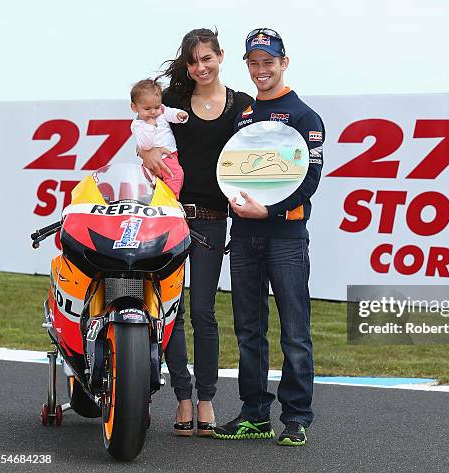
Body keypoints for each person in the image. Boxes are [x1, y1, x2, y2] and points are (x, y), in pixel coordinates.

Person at [212, 28, 325, 446]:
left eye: (269, 62)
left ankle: (296, 418)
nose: (261, 70)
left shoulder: (304, 116)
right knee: (248, 330)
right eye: (254, 63)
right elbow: (230, 173)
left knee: (295, 330)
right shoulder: (243, 115)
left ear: (284, 63)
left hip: (285, 236)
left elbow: (309, 178)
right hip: (243, 235)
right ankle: (255, 414)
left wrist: (271, 209)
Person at [139, 29, 253, 436]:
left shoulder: (242, 105)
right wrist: (146, 150)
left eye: (207, 58)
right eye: (193, 61)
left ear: (221, 56)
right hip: (168, 216)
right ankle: (182, 398)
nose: (200, 67)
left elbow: (254, 157)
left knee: (203, 312)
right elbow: (145, 131)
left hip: (211, 218)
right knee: (172, 311)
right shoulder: (171, 101)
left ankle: (206, 399)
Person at [130, 79, 187, 198]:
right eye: (147, 109)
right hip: (151, 159)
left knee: (175, 175)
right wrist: (150, 127)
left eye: (157, 107)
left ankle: (170, 199)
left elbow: (170, 113)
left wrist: (179, 115)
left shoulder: (161, 112)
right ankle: (154, 201)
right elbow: (145, 145)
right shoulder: (137, 125)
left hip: (169, 155)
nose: (153, 112)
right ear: (134, 107)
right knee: (147, 181)